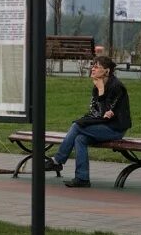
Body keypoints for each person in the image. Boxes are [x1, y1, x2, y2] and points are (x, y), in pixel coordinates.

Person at [45, 55, 132, 187]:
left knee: (76, 126)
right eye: (93, 65)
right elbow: (95, 112)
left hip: (115, 129)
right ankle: (82, 179)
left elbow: (105, 114)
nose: (93, 69)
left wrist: (102, 90)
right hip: (103, 125)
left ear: (107, 71)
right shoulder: (97, 85)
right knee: (80, 138)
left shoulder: (116, 87)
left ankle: (58, 161)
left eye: (97, 67)